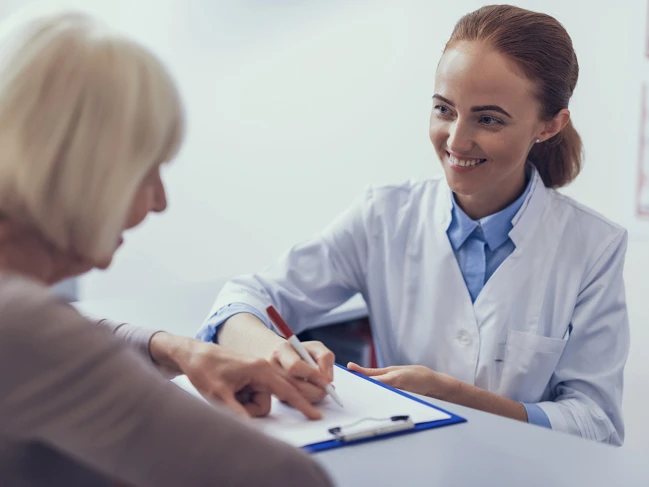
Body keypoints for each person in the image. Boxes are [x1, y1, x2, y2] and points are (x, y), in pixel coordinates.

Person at [198, 4, 630, 446]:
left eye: (488, 119)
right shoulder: (384, 217)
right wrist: (279, 355)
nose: (457, 140)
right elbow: (242, 299)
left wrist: (454, 396)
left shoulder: (593, 246)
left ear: (550, 125)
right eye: (445, 109)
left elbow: (597, 422)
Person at [0, 10, 332, 487]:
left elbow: (66, 329)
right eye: (146, 170)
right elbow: (290, 479)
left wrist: (177, 351)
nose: (160, 201)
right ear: (82, 171)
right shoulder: (23, 327)